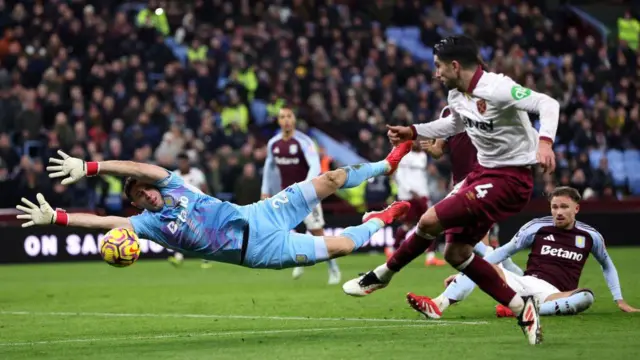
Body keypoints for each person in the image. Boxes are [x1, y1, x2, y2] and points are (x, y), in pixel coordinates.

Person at [343, 35, 560, 345]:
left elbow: (547, 103)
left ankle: (382, 274)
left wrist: (545, 141)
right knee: (456, 253)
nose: (436, 73)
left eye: (438, 67)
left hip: (510, 179)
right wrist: (413, 132)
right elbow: (453, 125)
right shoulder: (458, 96)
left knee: (430, 221)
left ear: (455, 66)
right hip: (482, 175)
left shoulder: (498, 87)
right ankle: (521, 307)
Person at [16, 140, 414, 272]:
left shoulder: (175, 184)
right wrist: (57, 217)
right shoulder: (148, 226)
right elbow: (105, 223)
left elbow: (138, 166)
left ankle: (385, 163)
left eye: (145, 187)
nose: (146, 192)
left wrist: (90, 167)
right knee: (341, 247)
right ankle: (379, 220)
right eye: (138, 193)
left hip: (260, 214)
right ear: (135, 200)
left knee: (330, 180)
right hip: (259, 252)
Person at [406, 186, 639, 319]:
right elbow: (503, 252)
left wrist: (619, 299)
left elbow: (607, 265)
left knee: (586, 296)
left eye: (564, 207)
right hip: (524, 281)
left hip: (554, 294)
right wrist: (466, 273)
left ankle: (522, 308)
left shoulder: (590, 236)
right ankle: (439, 304)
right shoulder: (537, 226)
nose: (558, 212)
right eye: (555, 207)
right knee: (484, 256)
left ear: (576, 208)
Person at [261, 108, 341, 284]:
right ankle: (299, 260)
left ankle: (333, 268)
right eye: (283, 117)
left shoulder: (304, 141)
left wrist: (305, 187)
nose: (286, 120)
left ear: (294, 119)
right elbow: (269, 168)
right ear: (279, 121)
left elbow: (315, 166)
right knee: (287, 232)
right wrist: (265, 191)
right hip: (286, 196)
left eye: (289, 116)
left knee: (317, 232)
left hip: (307, 195)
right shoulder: (273, 143)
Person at [168, 152, 211, 268]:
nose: (182, 164)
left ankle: (206, 259)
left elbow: (204, 189)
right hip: (181, 209)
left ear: (188, 162)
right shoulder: (174, 175)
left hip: (197, 208)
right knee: (179, 233)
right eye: (179, 162)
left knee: (201, 234)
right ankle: (178, 257)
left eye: (184, 162)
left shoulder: (197, 174)